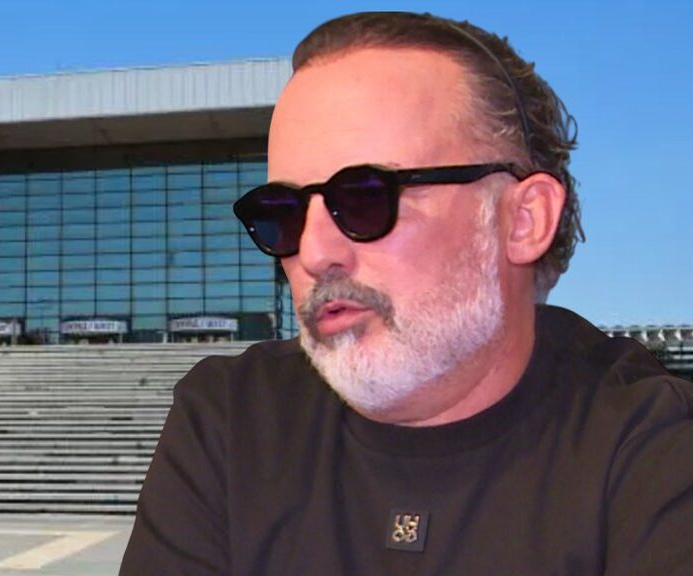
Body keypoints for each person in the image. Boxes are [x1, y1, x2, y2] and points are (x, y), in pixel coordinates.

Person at [120, 11, 693, 575]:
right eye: (283, 212)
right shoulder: (233, 419)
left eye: (365, 198)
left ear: (523, 220)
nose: (314, 253)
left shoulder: (657, 448)